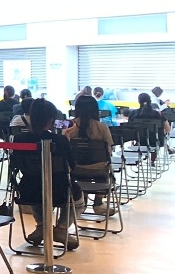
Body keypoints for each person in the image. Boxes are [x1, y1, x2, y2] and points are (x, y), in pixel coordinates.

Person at [10, 98, 78, 250]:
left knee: (36, 185)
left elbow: (15, 165)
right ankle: (61, 229)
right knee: (78, 200)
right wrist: (66, 137)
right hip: (58, 190)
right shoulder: (60, 140)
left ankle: (41, 226)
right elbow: (72, 166)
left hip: (28, 189)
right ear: (52, 120)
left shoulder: (19, 139)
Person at [64, 94, 114, 214]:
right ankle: (98, 203)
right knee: (105, 166)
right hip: (98, 171)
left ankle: (82, 201)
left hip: (74, 169)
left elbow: (63, 147)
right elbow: (108, 151)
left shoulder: (69, 125)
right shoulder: (102, 127)